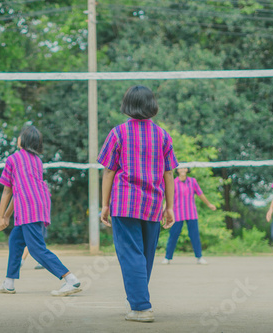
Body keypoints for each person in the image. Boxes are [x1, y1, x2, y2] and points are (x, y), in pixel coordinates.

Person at [98, 86, 178, 322]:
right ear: (152, 106)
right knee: (145, 255)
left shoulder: (118, 133)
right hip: (153, 203)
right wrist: (170, 206)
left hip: (124, 202)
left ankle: (141, 307)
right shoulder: (163, 136)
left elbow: (109, 171)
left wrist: (105, 204)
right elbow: (169, 174)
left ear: (127, 106)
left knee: (130, 254)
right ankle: (137, 299)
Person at [0, 125, 81, 296]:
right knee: (15, 240)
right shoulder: (37, 160)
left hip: (29, 208)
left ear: (22, 140)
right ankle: (9, 283)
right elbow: (18, 190)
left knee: (36, 249)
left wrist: (0, 217)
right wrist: (7, 215)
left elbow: (7, 190)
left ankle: (71, 280)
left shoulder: (13, 159)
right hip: (38, 205)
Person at [162, 168, 216, 265]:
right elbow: (168, 197)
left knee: (195, 236)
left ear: (187, 170)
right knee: (173, 236)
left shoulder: (192, 181)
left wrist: (209, 204)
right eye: (180, 167)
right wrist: (163, 209)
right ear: (177, 170)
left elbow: (200, 194)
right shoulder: (173, 182)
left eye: (184, 167)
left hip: (191, 213)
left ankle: (199, 257)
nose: (182, 169)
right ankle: (167, 257)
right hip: (177, 213)